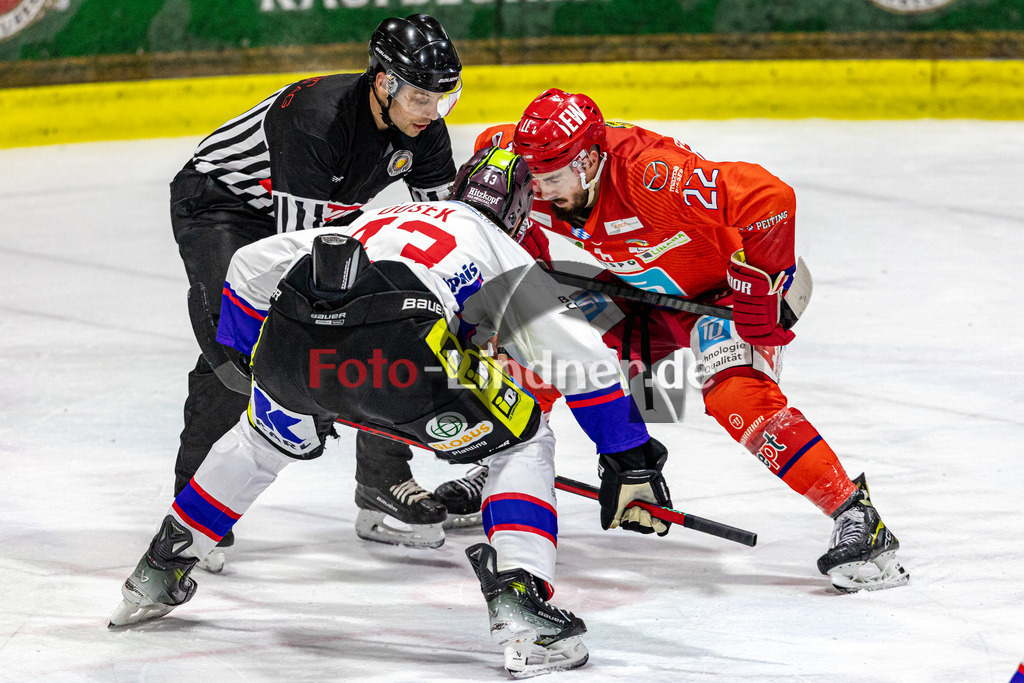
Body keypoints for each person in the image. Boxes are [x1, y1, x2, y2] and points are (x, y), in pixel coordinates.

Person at [109, 149, 673, 678]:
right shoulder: (499, 246)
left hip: (296, 344)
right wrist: (629, 459)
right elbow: (585, 362)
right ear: (519, 212)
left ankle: (159, 569)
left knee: (259, 439)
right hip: (400, 364)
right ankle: (522, 604)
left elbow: (253, 262)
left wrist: (250, 352)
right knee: (523, 440)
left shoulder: (376, 219)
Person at [470, 89, 909, 593]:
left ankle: (856, 514)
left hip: (720, 294)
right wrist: (532, 262)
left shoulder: (653, 174)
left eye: (553, 179)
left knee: (736, 396)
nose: (541, 191)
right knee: (542, 342)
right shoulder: (519, 162)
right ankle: (502, 469)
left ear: (590, 161)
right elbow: (493, 190)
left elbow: (769, 197)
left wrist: (760, 291)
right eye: (535, 178)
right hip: (639, 295)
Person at [169, 14, 467, 566]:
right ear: (384, 82)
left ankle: (382, 482)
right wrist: (317, 385)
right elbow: (289, 263)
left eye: (444, 100)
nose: (433, 114)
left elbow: (442, 232)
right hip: (222, 208)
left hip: (317, 217)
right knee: (241, 349)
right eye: (423, 99)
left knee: (398, 321)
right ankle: (195, 505)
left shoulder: (425, 132)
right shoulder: (315, 120)